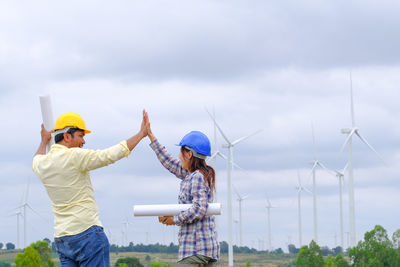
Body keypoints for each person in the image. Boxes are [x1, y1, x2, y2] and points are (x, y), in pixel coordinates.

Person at [32, 110, 148, 267]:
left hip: (62, 239)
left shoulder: (42, 164)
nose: (83, 142)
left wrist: (44, 141)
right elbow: (109, 155)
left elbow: (36, 158)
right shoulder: (74, 156)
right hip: (86, 234)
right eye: (81, 136)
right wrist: (141, 134)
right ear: (67, 136)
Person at [145, 114, 219, 266]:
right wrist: (151, 137)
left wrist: (174, 220)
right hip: (207, 249)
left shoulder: (197, 177)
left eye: (181, 152)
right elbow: (168, 162)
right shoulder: (192, 175)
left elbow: (199, 209)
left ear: (189, 154)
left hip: (195, 248)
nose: (178, 156)